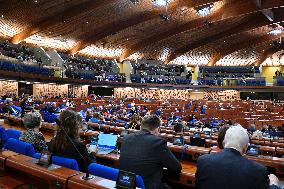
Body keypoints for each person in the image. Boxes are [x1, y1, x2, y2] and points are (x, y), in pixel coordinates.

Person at [195, 125, 279, 189]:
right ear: (245, 148)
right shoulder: (258, 170)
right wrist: (274, 183)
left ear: (224, 143)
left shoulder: (203, 161)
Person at [119, 115, 181, 189]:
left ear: (141, 127)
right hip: (146, 186)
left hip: (125, 184)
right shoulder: (158, 142)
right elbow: (177, 167)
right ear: (157, 129)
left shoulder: (126, 138)